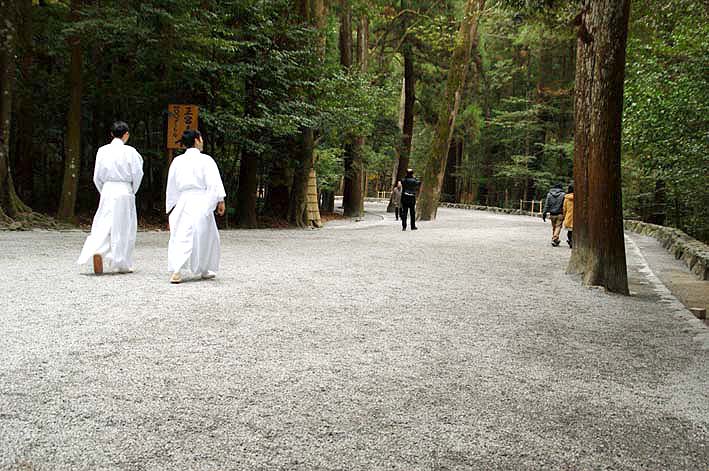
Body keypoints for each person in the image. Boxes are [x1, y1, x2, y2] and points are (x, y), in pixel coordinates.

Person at [77, 121, 143, 274]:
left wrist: (103, 190)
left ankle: (98, 249)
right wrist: (132, 190)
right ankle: (122, 263)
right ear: (126, 134)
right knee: (124, 227)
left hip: (107, 189)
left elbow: (97, 176)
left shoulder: (102, 151)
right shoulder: (131, 152)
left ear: (111, 134)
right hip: (124, 190)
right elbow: (137, 173)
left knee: (103, 223)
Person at [166, 130, 226, 284]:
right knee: (205, 235)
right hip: (201, 200)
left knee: (182, 235)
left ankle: (177, 270)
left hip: (183, 201)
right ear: (197, 140)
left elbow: (172, 186)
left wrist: (172, 206)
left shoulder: (177, 161)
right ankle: (204, 268)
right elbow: (213, 183)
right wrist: (219, 200)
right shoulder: (206, 160)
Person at [563, 183, 574, 248]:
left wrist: (564, 216)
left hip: (569, 217)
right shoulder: (580, 197)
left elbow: (564, 208)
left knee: (570, 231)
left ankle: (570, 241)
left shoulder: (566, 198)